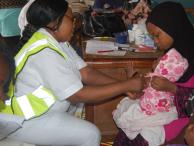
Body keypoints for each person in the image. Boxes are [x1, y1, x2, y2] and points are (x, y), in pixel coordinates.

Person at [0, 0, 147, 145]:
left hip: (43, 114)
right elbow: (78, 95)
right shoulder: (44, 52)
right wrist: (125, 86)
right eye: (72, 19)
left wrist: (125, 86)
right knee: (90, 134)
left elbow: (86, 73)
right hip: (24, 121)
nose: (77, 24)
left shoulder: (57, 41)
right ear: (54, 23)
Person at [113, 2, 194, 146]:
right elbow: (159, 88)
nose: (155, 41)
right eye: (152, 36)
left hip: (185, 118)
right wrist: (146, 85)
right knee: (127, 129)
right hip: (163, 109)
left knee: (141, 137)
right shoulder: (173, 50)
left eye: (157, 35)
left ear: (173, 28)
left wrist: (172, 88)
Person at [113, 48, 188, 146]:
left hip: (150, 110)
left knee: (127, 112)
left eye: (159, 61)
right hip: (154, 109)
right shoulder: (165, 82)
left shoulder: (154, 80)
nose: (155, 60)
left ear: (164, 68)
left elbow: (137, 91)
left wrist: (132, 79)